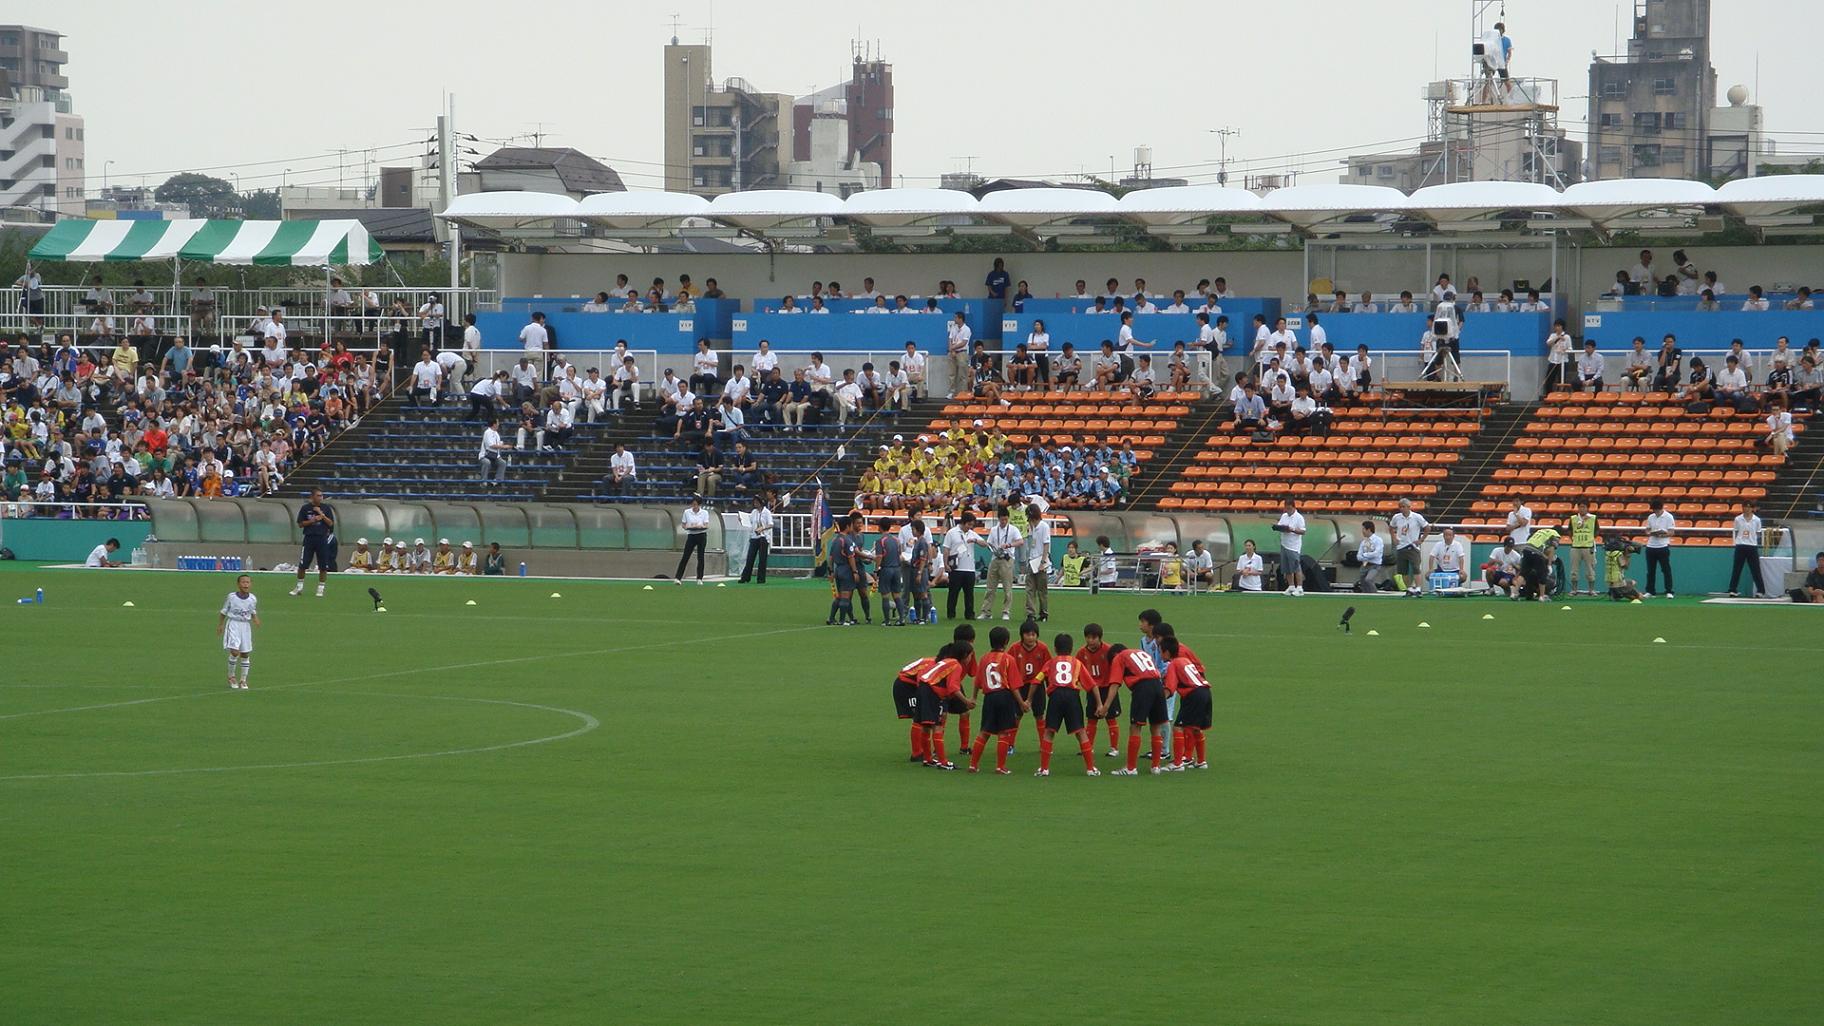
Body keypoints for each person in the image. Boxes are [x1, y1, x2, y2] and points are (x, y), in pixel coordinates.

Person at [1036, 633, 1098, 777]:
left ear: (1055, 648)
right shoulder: (1077, 663)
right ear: (1071, 649)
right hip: (1072, 696)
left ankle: (1044, 769)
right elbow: (1092, 685)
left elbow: (1036, 680)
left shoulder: (1050, 662)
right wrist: (1100, 704)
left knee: (1049, 732)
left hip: (1056, 696)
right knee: (1081, 732)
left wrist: (1028, 699)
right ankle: (1090, 769)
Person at [965, 626, 1025, 775]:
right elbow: (1014, 686)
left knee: (984, 732)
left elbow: (978, 681)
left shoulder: (984, 658)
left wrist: (973, 698)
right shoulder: (1008, 659)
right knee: (1004, 733)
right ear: (1006, 641)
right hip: (1004, 697)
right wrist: (1021, 703)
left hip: (989, 698)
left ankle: (973, 765)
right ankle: (1000, 767)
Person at [1105, 642, 1169, 775]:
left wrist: (1106, 706)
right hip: (1158, 686)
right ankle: (1156, 766)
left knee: (1135, 726)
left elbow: (1115, 684)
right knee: (1155, 727)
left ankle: (1130, 768)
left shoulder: (1119, 657)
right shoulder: (1141, 653)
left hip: (1143, 688)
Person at [912, 642, 974, 770]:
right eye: (970, 656)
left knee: (925, 726)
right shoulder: (956, 666)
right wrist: (966, 701)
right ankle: (943, 762)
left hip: (922, 687)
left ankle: (928, 759)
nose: (971, 659)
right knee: (938, 726)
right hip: (932, 692)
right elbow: (953, 688)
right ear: (964, 655)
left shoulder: (946, 661)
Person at [1160, 634, 1211, 771]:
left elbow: (1170, 688)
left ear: (1167, 652)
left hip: (1193, 695)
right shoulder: (1184, 660)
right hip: (1205, 692)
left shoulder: (1173, 665)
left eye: (1161, 651)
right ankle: (1201, 761)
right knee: (1195, 728)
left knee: (1178, 727)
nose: (1160, 654)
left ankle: (1177, 764)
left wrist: (1158, 700)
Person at [979, 505, 1022, 621]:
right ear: (998, 519)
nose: (1003, 522)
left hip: (1007, 559)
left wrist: (1009, 545)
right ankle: (986, 611)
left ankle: (1006, 611)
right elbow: (989, 544)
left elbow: (1020, 541)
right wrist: (993, 549)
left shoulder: (1013, 529)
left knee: (1007, 588)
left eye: (1005, 519)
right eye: (1002, 519)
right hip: (995, 559)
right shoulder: (994, 530)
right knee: (990, 587)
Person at [218, 574, 261, 691]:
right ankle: (231, 676)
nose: (246, 584)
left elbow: (252, 610)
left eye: (248, 582)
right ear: (238, 584)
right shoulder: (231, 597)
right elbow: (224, 611)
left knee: (245, 653)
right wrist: (220, 625)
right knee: (235, 652)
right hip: (233, 624)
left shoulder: (252, 598)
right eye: (243, 582)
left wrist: (255, 618)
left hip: (245, 626)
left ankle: (243, 679)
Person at [290, 488, 336, 597]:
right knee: (303, 564)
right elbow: (300, 524)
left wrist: (322, 515)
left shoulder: (326, 508)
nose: (320, 497)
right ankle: (299, 586)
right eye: (318, 495)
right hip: (309, 538)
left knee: (323, 565)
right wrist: (312, 520)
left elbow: (330, 524)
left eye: (321, 495)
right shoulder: (305, 508)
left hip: (322, 539)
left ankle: (321, 588)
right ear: (312, 497)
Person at [826, 512, 864, 626]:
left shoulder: (835, 540)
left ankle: (831, 618)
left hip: (838, 570)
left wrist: (831, 571)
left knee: (839, 596)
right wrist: (855, 571)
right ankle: (842, 620)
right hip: (846, 570)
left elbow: (830, 557)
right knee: (845, 597)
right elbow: (851, 557)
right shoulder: (848, 540)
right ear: (848, 526)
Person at [944, 512, 980, 621]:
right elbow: (946, 549)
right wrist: (945, 564)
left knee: (969, 593)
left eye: (971, 525)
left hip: (969, 568)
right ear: (963, 523)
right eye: (969, 524)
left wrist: (975, 540)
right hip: (956, 568)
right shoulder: (951, 533)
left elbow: (984, 543)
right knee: (953, 592)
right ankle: (951, 614)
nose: (970, 527)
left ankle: (969, 614)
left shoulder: (972, 533)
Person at [1728, 501, 1766, 598]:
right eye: (1745, 507)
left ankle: (1760, 590)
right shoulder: (1738, 519)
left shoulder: (1756, 520)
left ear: (1752, 508)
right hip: (1740, 545)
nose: (1746, 509)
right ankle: (1732, 590)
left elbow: (1758, 532)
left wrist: (1752, 540)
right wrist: (1737, 542)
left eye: (1749, 507)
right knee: (1737, 569)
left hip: (1752, 546)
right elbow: (1736, 531)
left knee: (1755, 569)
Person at [1642, 500, 1676, 598]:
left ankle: (1669, 591)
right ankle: (1650, 591)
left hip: (1663, 546)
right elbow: (1647, 529)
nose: (1655, 512)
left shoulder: (1669, 517)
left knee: (1666, 570)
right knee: (1650, 571)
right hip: (1650, 546)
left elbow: (1671, 532)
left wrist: (1662, 535)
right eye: (1654, 510)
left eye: (1657, 510)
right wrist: (1650, 533)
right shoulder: (1651, 517)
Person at [1566, 499, 1601, 596]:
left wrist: (1590, 538)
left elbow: (1597, 531)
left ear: (1587, 508)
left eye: (1584, 507)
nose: (1581, 509)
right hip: (1575, 547)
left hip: (1588, 546)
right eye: (1580, 507)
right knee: (1574, 570)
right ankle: (1574, 590)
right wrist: (1573, 538)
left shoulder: (1593, 518)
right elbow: (1569, 530)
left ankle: (1591, 590)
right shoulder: (1573, 518)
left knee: (1590, 569)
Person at [675, 495, 711, 585]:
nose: (694, 507)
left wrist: (700, 526)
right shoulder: (687, 512)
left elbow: (706, 525)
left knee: (700, 557)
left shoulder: (704, 513)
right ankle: (678, 577)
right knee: (685, 556)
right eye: (693, 504)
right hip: (691, 535)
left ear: (699, 505)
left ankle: (699, 578)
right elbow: (683, 524)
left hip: (701, 535)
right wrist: (689, 527)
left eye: (696, 505)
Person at [739, 494, 773, 584]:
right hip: (754, 537)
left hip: (763, 537)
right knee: (750, 558)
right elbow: (749, 521)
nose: (755, 503)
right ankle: (745, 577)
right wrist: (741, 519)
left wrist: (763, 528)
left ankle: (761, 579)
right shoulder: (754, 512)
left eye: (757, 502)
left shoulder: (767, 512)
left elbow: (771, 524)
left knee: (762, 559)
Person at [1275, 498, 1307, 595]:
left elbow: (1303, 531)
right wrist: (1278, 528)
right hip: (1284, 544)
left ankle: (1300, 587)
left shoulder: (1299, 517)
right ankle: (1291, 586)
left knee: (1296, 567)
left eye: (1289, 508)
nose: (1287, 511)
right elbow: (1280, 525)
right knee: (1287, 568)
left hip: (1293, 546)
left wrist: (1292, 529)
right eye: (1286, 509)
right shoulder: (1284, 516)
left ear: (1293, 507)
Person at [1427, 526, 1469, 592]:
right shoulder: (1438, 544)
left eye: (1450, 535)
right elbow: (1432, 556)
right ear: (1443, 536)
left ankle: (1457, 586)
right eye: (1446, 535)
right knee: (1427, 575)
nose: (1448, 537)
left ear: (1453, 536)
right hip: (1441, 570)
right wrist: (1430, 569)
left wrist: (1461, 569)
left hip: (1455, 570)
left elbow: (1461, 558)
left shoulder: (1458, 545)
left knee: (1463, 576)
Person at [1355, 521, 1386, 592]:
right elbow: (1359, 556)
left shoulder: (1378, 540)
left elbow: (1376, 553)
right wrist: (1364, 556)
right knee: (1363, 583)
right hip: (1365, 565)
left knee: (1368, 579)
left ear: (1368, 530)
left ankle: (1374, 594)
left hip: (1375, 565)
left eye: (1363, 529)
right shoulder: (1363, 542)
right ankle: (1366, 595)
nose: (1362, 531)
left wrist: (1365, 555)